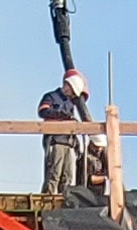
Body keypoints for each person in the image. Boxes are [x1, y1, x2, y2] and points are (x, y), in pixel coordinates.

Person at [37, 68, 94, 203]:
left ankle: (64, 202)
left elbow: (71, 122)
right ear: (67, 85)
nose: (72, 95)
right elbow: (43, 111)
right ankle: (46, 201)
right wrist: (61, 114)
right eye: (72, 91)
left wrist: (76, 144)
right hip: (55, 140)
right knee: (54, 173)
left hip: (68, 142)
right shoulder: (51, 97)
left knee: (68, 175)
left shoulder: (70, 103)